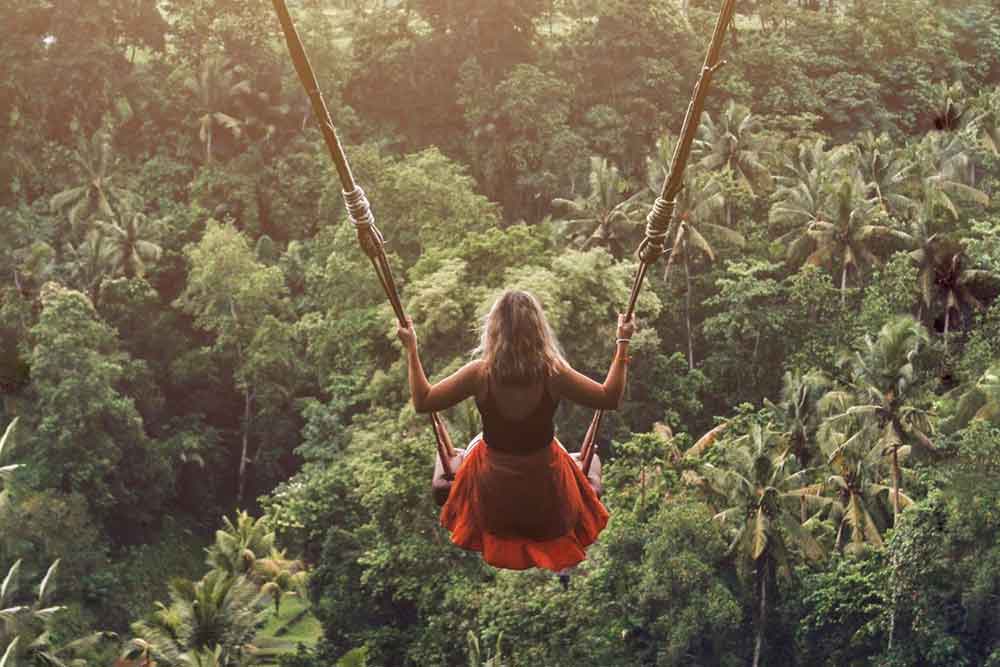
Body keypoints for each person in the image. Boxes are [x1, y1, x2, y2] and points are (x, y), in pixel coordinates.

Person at [397, 289, 635, 571]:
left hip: (493, 492)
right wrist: (623, 341)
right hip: (548, 493)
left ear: (493, 331)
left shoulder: (480, 374)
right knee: (590, 460)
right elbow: (609, 397)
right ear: (539, 330)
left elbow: (423, 401)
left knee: (451, 461)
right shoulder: (553, 373)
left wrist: (411, 348)